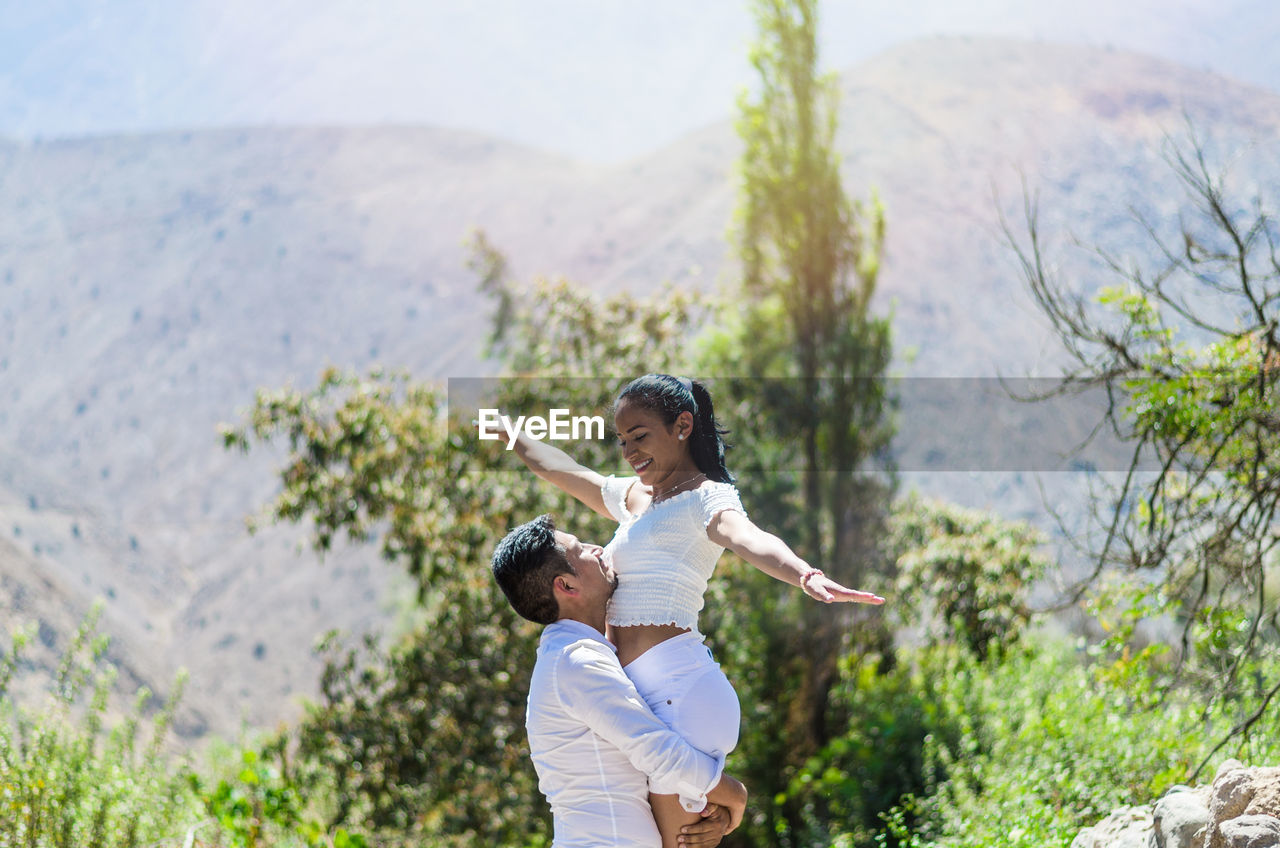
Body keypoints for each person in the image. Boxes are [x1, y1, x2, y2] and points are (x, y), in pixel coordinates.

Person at [500, 374, 886, 846]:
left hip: (676, 692)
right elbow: (566, 471)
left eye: (639, 436)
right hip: (658, 697)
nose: (628, 452)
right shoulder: (637, 500)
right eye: (622, 440)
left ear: (682, 426)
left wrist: (805, 574)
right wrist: (510, 434)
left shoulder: (708, 498)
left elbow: (749, 538)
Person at [491, 513, 748, 848]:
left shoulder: (572, 655)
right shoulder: (577, 660)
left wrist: (706, 808)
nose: (598, 550)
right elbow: (657, 753)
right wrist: (735, 796)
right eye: (580, 549)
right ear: (566, 586)